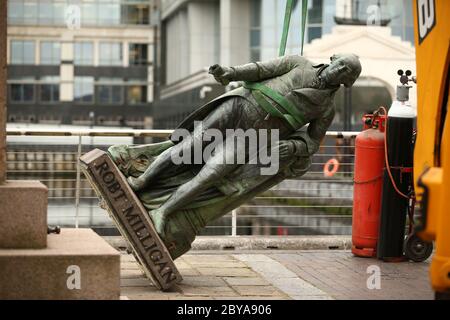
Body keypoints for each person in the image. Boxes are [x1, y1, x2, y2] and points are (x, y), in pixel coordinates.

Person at [109, 53, 361, 258]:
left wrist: (294, 147)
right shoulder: (298, 62)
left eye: (345, 72)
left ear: (347, 82)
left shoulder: (326, 109)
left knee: (210, 176)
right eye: (339, 64)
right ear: (332, 59)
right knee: (188, 148)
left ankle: (163, 211)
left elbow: (313, 142)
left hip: (256, 137)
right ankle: (140, 182)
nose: (338, 70)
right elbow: (261, 70)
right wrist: (231, 72)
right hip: (239, 106)